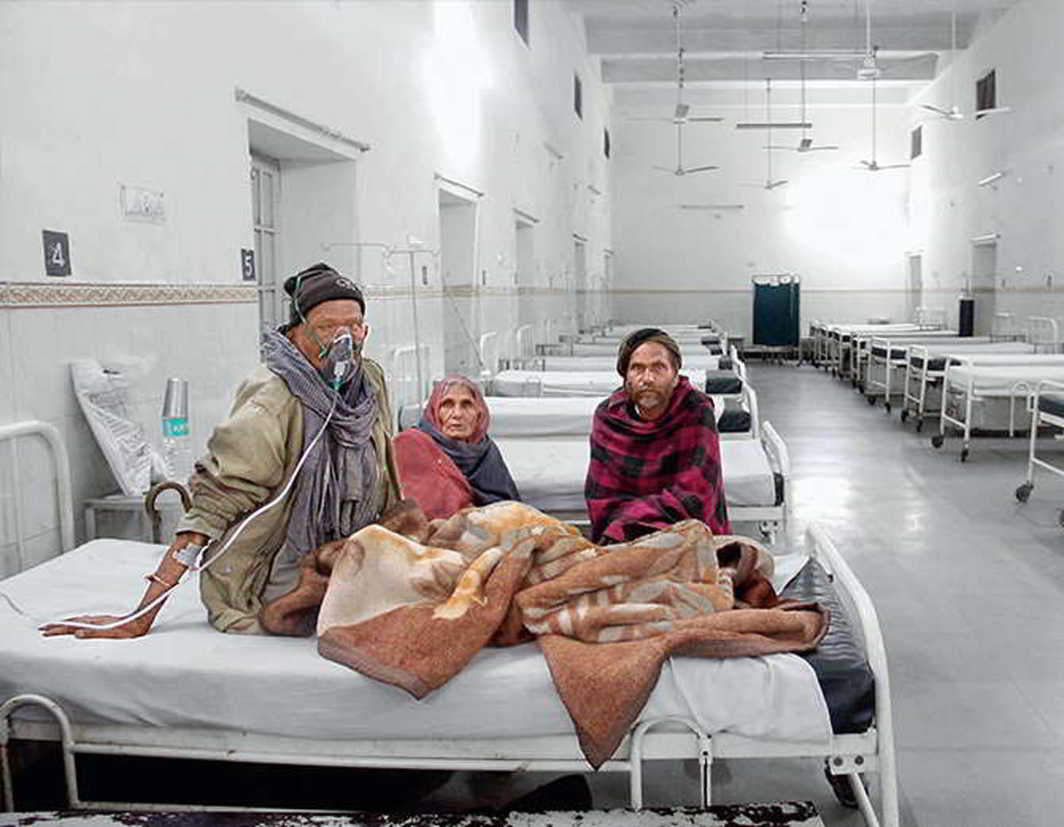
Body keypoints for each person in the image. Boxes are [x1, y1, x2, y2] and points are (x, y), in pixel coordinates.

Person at [42, 262, 401, 638]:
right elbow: (210, 509)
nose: (345, 341)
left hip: (350, 559)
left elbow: (385, 478)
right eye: (328, 327)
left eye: (354, 325)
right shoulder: (273, 398)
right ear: (295, 333)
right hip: (277, 582)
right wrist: (138, 617)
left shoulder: (368, 382)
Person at [584, 327, 731, 544]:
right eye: (637, 369)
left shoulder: (695, 410)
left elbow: (695, 494)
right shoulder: (609, 417)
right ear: (626, 378)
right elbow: (601, 497)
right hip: (623, 532)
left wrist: (635, 521)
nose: (648, 378)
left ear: (675, 376)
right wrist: (633, 526)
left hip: (683, 530)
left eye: (659, 368)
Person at [393, 375, 520, 520]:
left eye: (466, 405)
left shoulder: (486, 450)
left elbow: (509, 507)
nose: (457, 414)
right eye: (447, 405)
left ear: (479, 413)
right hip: (434, 536)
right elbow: (430, 510)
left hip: (487, 532)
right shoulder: (412, 444)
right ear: (434, 411)